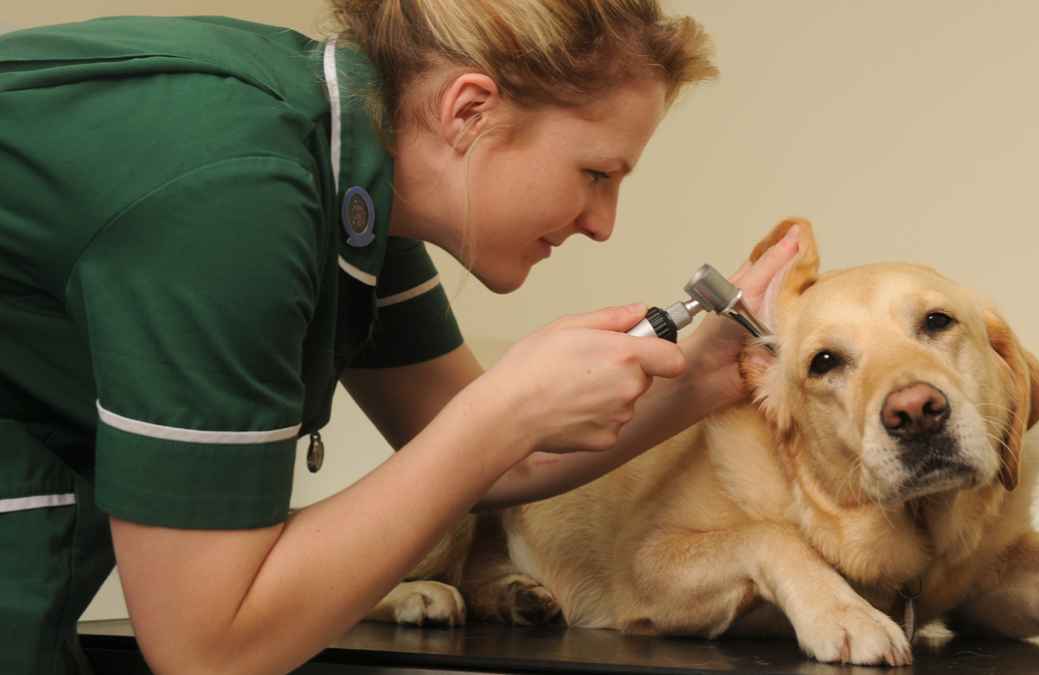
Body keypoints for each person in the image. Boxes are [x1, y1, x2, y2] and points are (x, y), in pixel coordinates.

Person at [0, 2, 803, 673]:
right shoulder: (235, 196)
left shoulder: (353, 179)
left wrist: (699, 380)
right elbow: (205, 646)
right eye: (597, 175)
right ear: (469, 111)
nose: (602, 223)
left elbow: (501, 454)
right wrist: (502, 411)